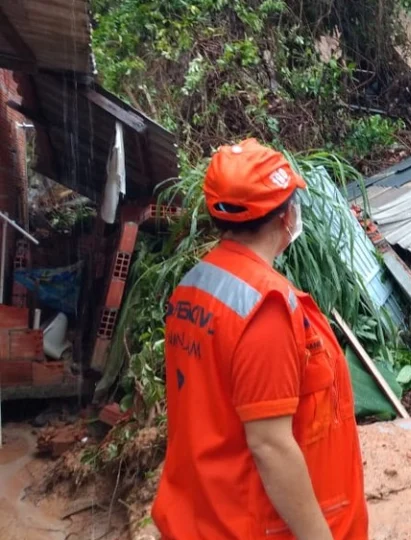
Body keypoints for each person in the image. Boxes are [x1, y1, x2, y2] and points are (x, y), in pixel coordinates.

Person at [151, 139, 368, 539]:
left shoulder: (195, 286)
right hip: (248, 524)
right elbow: (270, 447)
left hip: (202, 515)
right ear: (285, 216)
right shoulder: (264, 308)